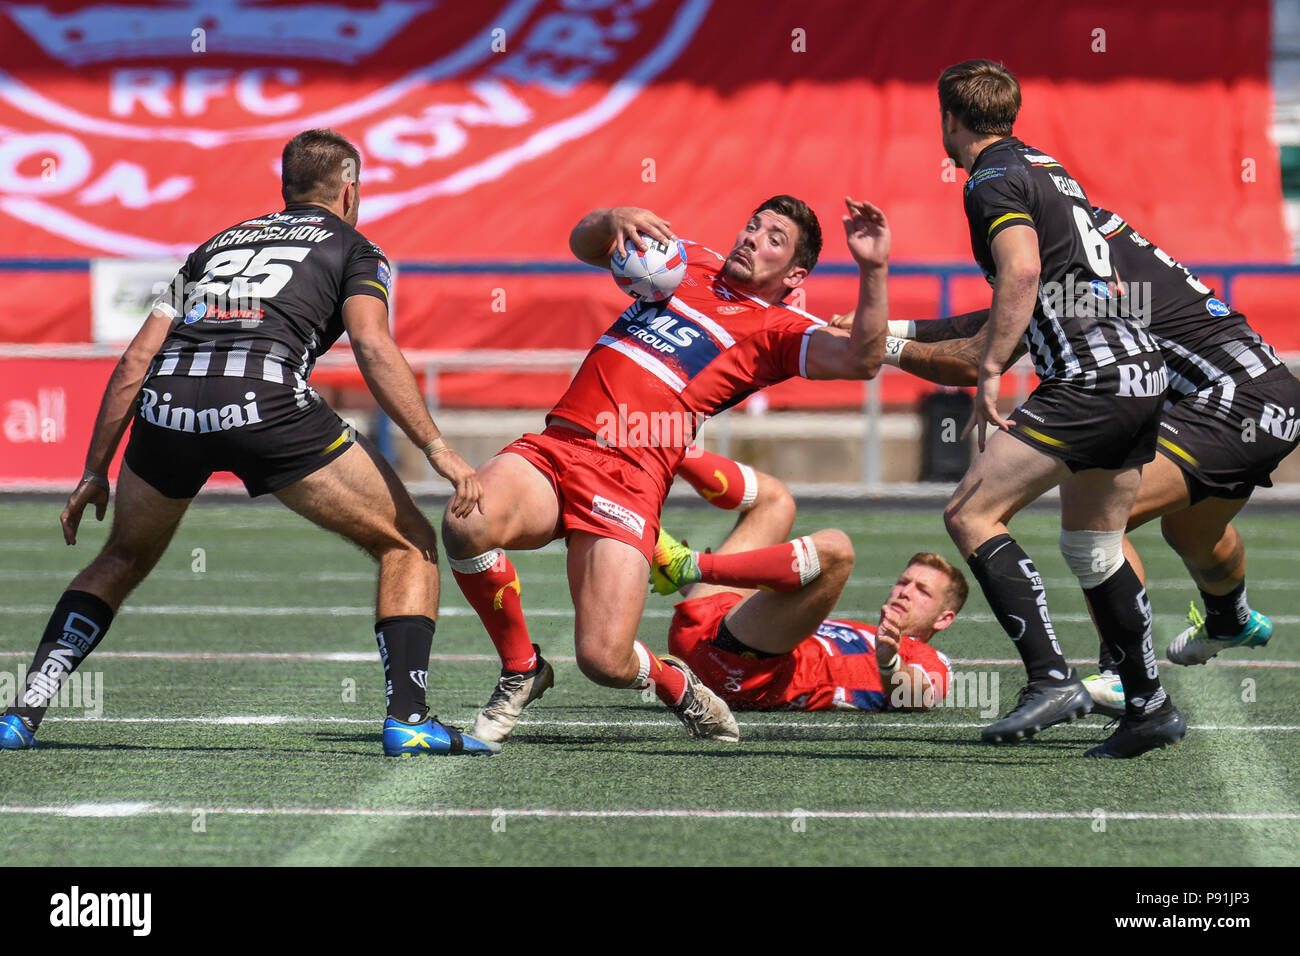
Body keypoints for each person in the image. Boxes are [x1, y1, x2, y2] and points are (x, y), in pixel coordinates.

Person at [0, 129, 496, 758]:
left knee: (121, 557)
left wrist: (94, 470)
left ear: (284, 189)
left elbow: (135, 360)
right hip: (264, 401)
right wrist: (435, 447)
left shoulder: (213, 247)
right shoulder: (356, 247)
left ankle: (21, 714)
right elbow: (372, 345)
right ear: (350, 190)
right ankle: (410, 719)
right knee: (409, 542)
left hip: (167, 404)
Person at [441, 196, 892, 745]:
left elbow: (862, 360)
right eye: (753, 225)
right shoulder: (686, 260)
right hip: (562, 444)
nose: (752, 238)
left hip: (630, 477)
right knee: (468, 522)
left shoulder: (781, 330)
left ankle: (676, 685)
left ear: (796, 273)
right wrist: (609, 221)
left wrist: (873, 269)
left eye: (774, 238)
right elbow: (583, 245)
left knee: (604, 660)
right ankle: (522, 667)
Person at [869, 204, 1299, 716]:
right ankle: (1230, 618)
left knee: (1101, 523)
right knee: (1190, 533)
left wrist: (880, 345)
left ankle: (1123, 672)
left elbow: (979, 353)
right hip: (1260, 396)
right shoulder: (1090, 241)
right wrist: (894, 327)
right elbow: (1000, 316)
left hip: (1231, 402)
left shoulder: (1065, 260)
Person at [932, 60, 1182, 757]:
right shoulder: (1049, 166)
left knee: (970, 513)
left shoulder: (989, 179)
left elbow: (1020, 269)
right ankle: (1149, 705)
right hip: (1139, 371)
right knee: (1094, 545)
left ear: (950, 117)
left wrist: (987, 369)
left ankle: (1048, 677)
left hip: (1088, 376)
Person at [649, 448, 965, 713]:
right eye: (903, 581)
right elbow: (761, 617)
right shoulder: (860, 630)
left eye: (922, 591)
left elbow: (918, 697)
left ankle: (693, 567)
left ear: (945, 618)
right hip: (709, 631)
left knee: (837, 550)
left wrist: (888, 661)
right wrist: (700, 589)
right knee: (776, 500)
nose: (904, 592)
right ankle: (659, 446)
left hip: (744, 674)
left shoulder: (926, 659)